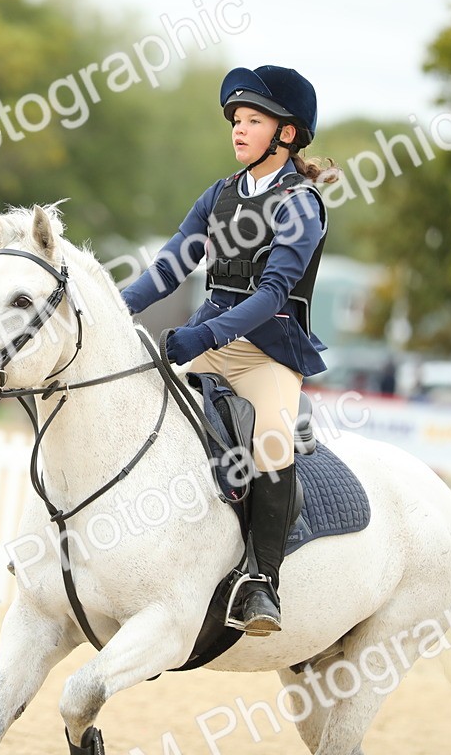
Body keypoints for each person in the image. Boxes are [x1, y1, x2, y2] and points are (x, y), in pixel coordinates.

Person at [121, 65, 336, 636]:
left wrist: (203, 335)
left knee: (269, 441)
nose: (239, 130)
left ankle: (263, 583)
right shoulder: (220, 195)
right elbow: (170, 267)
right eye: (237, 121)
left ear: (286, 134)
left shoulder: (301, 205)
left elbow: (271, 296)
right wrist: (115, 308)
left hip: (267, 352)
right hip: (211, 337)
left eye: (254, 120)